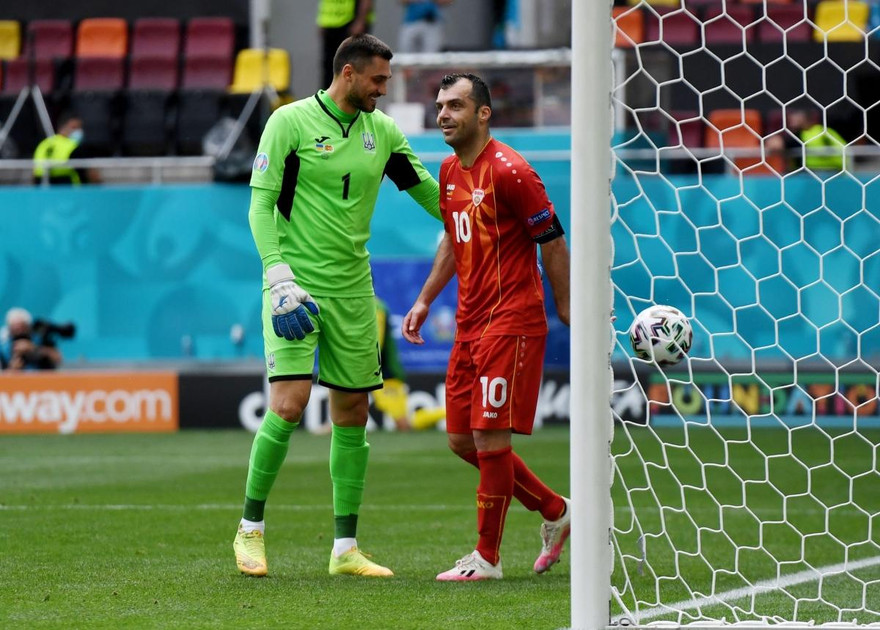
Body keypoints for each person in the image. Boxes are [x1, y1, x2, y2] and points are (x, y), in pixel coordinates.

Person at [233, 33, 442, 579]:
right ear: (348, 74)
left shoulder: (385, 132)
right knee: (288, 404)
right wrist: (276, 273)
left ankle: (345, 548)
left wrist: (480, 224)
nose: (384, 89)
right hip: (293, 287)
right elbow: (259, 204)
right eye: (377, 79)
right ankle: (250, 530)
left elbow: (430, 194)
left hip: (353, 291)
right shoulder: (289, 123)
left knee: (353, 413)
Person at [402, 73, 572, 581]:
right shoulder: (449, 169)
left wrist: (566, 311)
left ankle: (487, 558)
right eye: (439, 106)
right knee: (461, 441)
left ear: (483, 114)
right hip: (469, 322)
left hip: (512, 319)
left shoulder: (514, 172)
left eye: (455, 105)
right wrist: (426, 299)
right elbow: (454, 238)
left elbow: (553, 242)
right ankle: (556, 511)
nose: (443, 115)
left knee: (489, 437)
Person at [317, 0, 375, 90]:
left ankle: (351, 100)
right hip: (330, 23)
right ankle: (328, 99)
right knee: (329, 67)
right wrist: (322, 21)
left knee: (352, 66)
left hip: (350, 23)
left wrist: (360, 21)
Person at [0, 308, 64, 371]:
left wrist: (34, 349)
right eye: (15, 329)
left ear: (28, 327)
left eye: (22, 327)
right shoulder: (4, 347)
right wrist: (13, 369)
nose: (19, 332)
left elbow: (58, 358)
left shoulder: (40, 339)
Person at [32, 114, 87, 185]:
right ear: (62, 127)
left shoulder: (44, 144)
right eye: (74, 128)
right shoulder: (73, 145)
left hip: (43, 187)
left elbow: (34, 171)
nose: (78, 131)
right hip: (68, 187)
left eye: (79, 128)